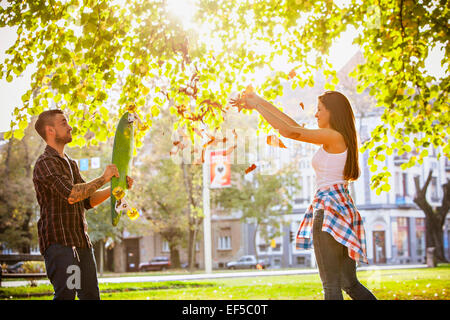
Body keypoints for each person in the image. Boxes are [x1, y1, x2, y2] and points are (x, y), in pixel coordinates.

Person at [232, 90, 376, 300]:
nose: (315, 114)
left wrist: (257, 107)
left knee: (331, 286)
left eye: (319, 109)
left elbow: (289, 132)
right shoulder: (338, 138)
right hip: (343, 209)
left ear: (332, 113)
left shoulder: (332, 136)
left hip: (328, 210)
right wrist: (260, 101)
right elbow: (294, 127)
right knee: (350, 283)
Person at [32, 109, 134, 300]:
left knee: (91, 296)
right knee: (67, 295)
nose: (70, 126)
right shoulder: (45, 163)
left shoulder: (71, 164)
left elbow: (86, 200)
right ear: (50, 130)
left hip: (81, 243)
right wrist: (104, 178)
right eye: (64, 123)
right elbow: (71, 195)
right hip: (60, 243)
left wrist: (115, 188)